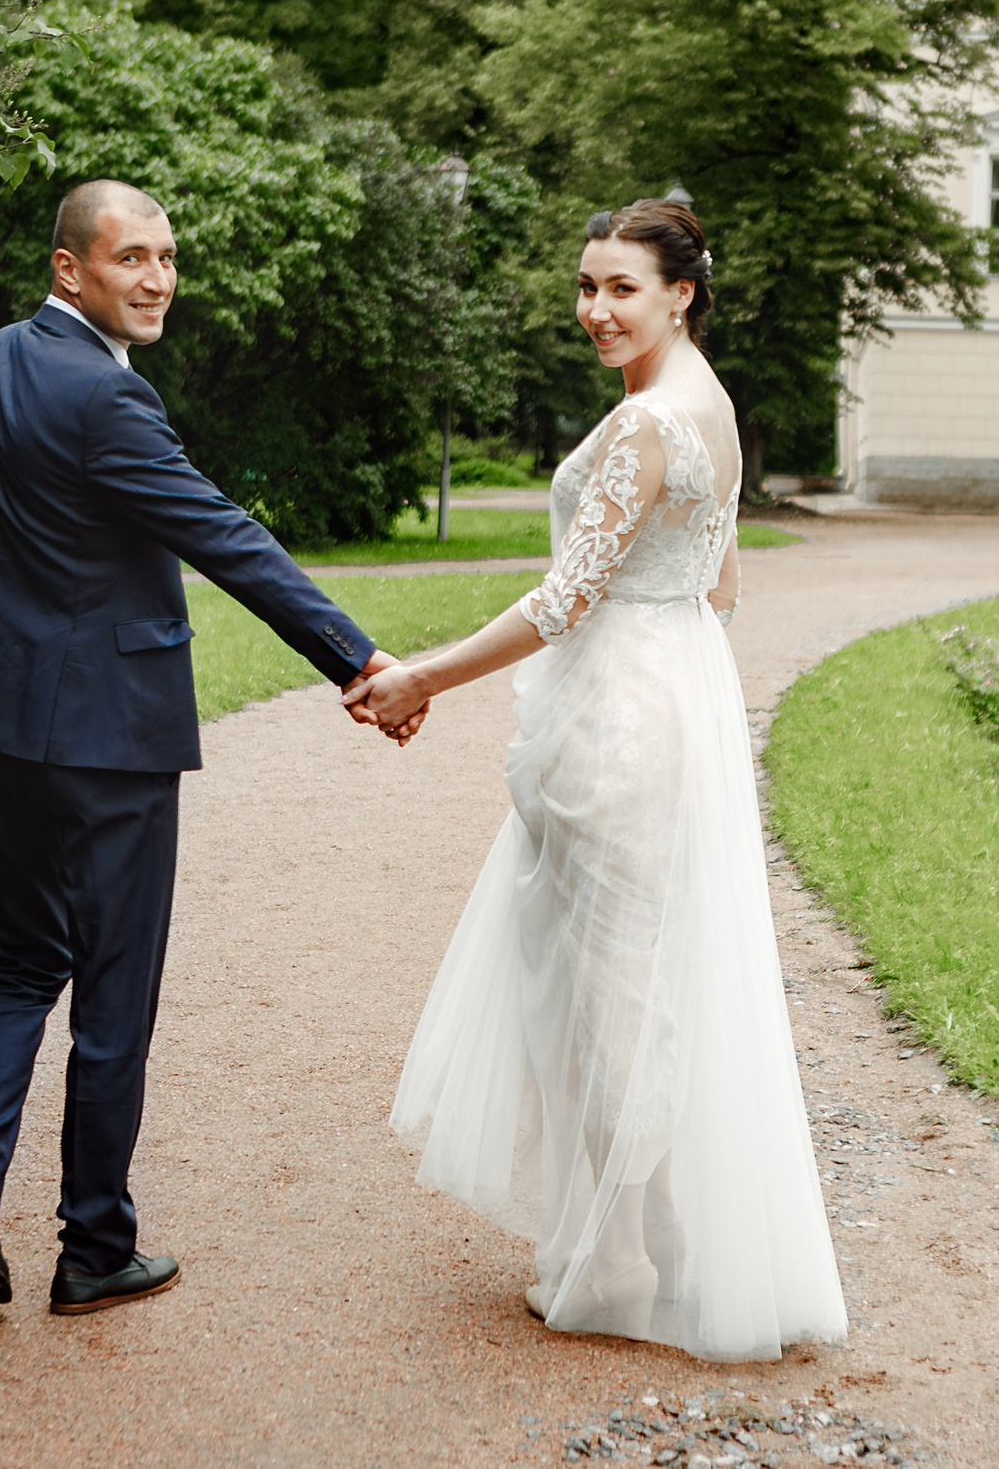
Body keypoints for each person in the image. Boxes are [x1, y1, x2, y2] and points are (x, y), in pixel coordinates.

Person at [0, 180, 419, 1317]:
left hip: (3, 724)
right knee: (115, 987)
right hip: (111, 737)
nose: (157, 280)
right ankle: (94, 1247)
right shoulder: (107, 396)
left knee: (20, 961)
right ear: (68, 268)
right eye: (130, 258)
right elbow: (224, 536)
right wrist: (356, 657)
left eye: (167, 258)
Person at [359, 199, 847, 1362]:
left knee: (609, 995)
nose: (595, 309)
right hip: (673, 693)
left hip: (619, 718)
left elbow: (563, 599)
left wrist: (419, 676)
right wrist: (658, 641)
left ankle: (620, 1257)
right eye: (586, 286)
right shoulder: (705, 403)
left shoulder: (644, 423)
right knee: (635, 981)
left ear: (681, 292)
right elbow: (719, 584)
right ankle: (663, 1231)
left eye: (621, 287)